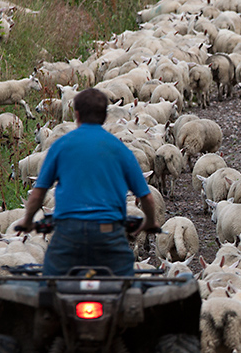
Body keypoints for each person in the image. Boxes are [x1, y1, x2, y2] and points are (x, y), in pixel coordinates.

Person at [18, 88, 159, 276]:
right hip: (110, 233)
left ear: (76, 114)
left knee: (50, 282)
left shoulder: (60, 146)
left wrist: (27, 221)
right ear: (104, 116)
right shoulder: (120, 149)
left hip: (68, 233)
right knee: (125, 284)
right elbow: (146, 197)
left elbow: (38, 192)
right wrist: (149, 222)